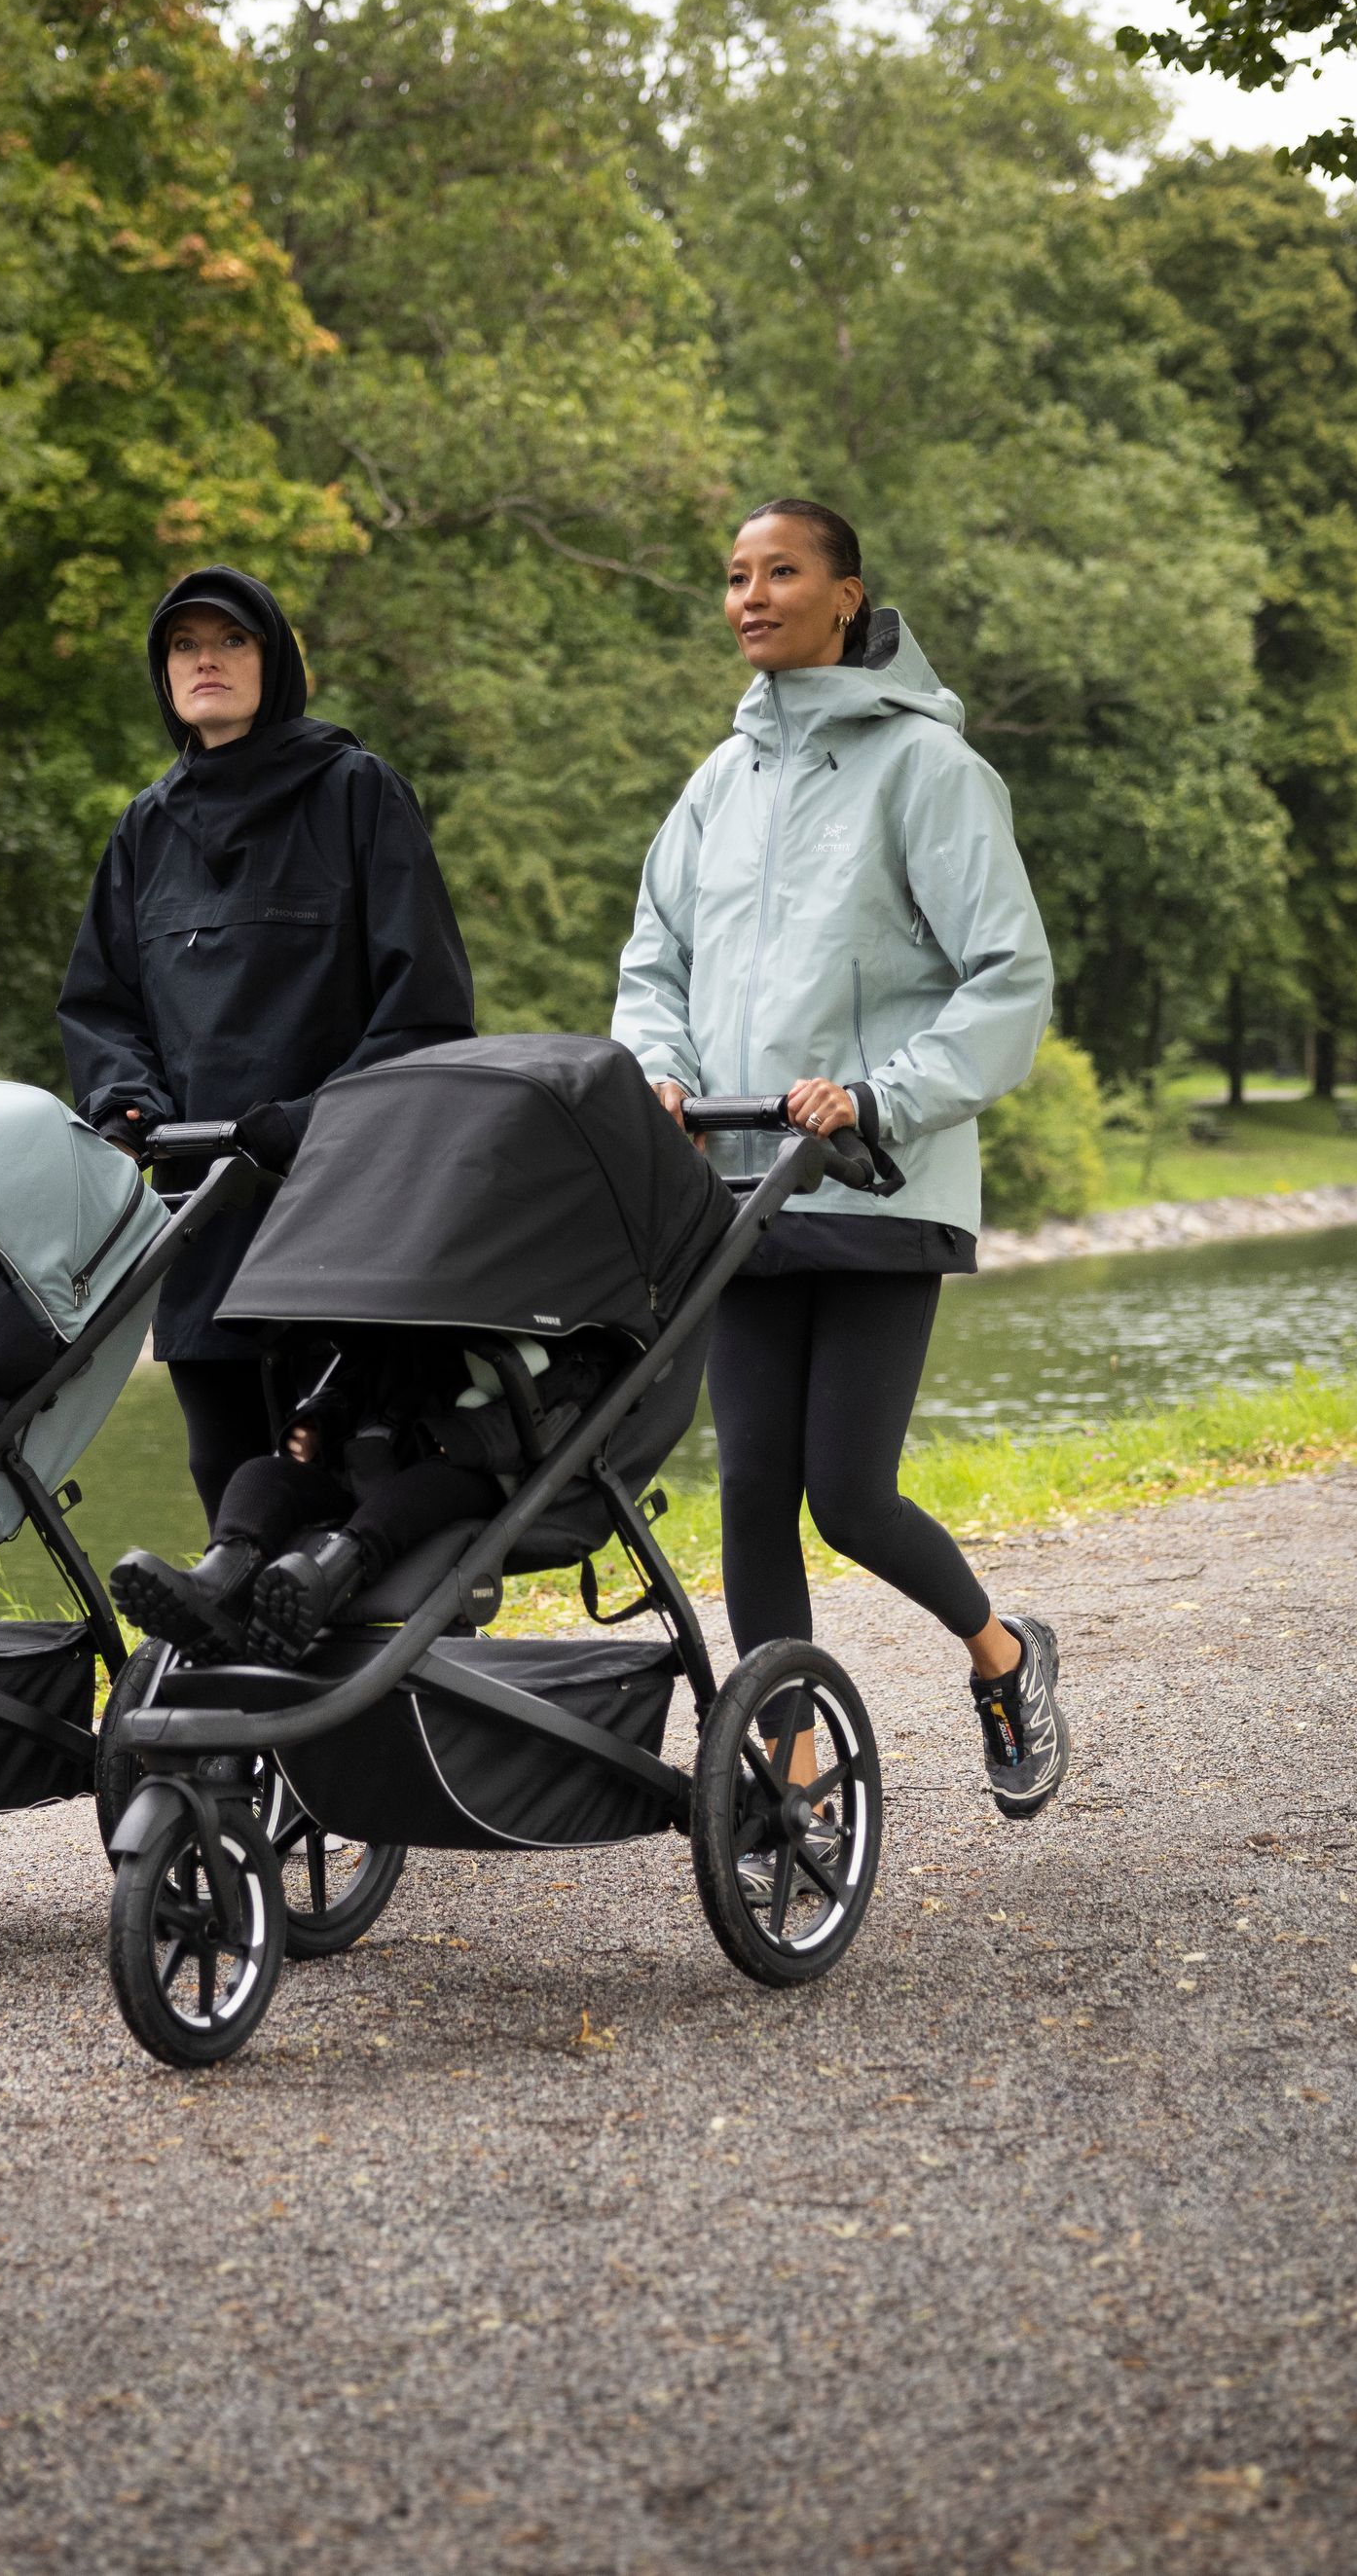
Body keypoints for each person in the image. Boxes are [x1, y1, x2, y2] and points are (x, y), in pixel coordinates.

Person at [608, 498, 1071, 1820]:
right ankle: (793, 1772)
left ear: (847, 595)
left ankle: (1004, 1655)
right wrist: (661, 1073)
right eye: (735, 576)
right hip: (737, 1188)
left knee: (850, 1497)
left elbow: (1007, 978)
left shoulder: (929, 769)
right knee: (752, 1487)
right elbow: (655, 962)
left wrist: (878, 1098)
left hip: (876, 1180)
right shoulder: (719, 782)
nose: (751, 596)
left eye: (781, 572)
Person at [59, 565, 478, 1514]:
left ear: (273, 660)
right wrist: (127, 1105)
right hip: (201, 1207)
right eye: (183, 644)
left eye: (230, 640)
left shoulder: (358, 793)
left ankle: (376, 1616)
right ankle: (245, 1611)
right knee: (223, 1469)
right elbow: (101, 1003)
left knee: (344, 1465)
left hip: (342, 1203)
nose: (204, 659)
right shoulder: (144, 828)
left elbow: (426, 1008)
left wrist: (315, 1119)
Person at [110, 1334, 553, 1666]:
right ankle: (216, 1583)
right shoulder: (404, 1330)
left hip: (475, 1469)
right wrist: (316, 1424)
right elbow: (356, 1386)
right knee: (262, 1474)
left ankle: (325, 1581)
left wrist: (455, 1440)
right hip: (373, 1461)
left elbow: (550, 1407)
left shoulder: (539, 1336)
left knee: (424, 1488)